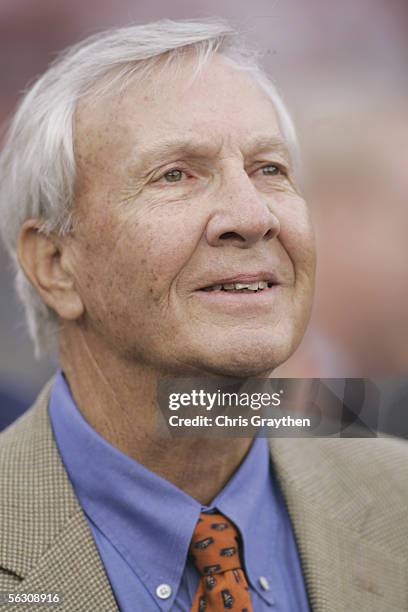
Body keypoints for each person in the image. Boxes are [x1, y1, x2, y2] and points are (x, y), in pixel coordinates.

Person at [0, 19, 406, 612]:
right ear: (56, 264)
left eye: (270, 169)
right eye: (176, 175)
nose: (252, 214)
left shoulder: (396, 502)